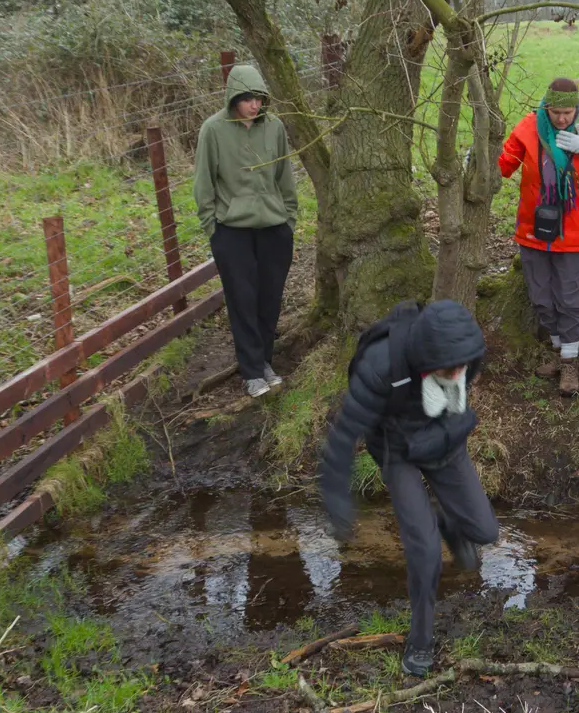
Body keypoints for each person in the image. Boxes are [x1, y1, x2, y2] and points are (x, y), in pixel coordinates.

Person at [319, 299, 498, 677]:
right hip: (398, 451)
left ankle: (450, 526)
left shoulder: (463, 354)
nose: (461, 372)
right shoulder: (380, 367)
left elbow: (457, 393)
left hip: (445, 441)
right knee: (424, 551)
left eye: (464, 365)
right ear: (426, 360)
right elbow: (342, 438)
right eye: (451, 368)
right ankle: (420, 640)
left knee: (485, 531)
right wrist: (336, 500)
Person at [498, 76, 579, 395]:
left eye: (568, 112)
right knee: (541, 298)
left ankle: (570, 363)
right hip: (534, 229)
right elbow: (504, 165)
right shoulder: (528, 128)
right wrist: (479, 159)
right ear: (546, 107)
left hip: (574, 231)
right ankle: (557, 352)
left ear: (577, 106)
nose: (563, 118)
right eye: (556, 113)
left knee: (568, 299)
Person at [194, 64, 298, 398]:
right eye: (248, 98)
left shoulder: (275, 127)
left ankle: (265, 362)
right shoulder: (213, 130)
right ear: (233, 98)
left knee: (269, 298)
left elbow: (284, 175)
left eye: (259, 98)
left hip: (273, 229)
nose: (254, 104)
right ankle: (252, 372)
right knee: (242, 300)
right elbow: (204, 183)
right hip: (232, 232)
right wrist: (214, 229)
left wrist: (289, 219)